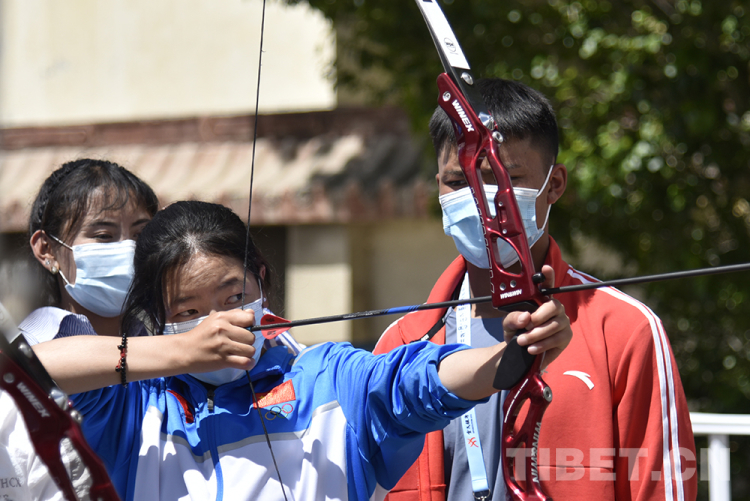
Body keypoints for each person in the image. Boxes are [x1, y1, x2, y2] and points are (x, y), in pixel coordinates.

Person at [34, 200, 571, 501]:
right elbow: (31, 370)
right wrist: (180, 353)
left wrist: (511, 357)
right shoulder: (134, 405)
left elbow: (421, 381)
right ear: (160, 317)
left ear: (261, 281)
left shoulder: (329, 377)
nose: (216, 323)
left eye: (233, 297)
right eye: (189, 310)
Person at [373, 78, 697, 501]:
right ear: (437, 186)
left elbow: (661, 487)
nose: (481, 200)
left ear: (555, 184)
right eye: (457, 182)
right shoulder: (402, 342)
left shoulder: (624, 329)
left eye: (504, 179)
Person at [21, 158, 160, 344]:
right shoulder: (23, 347)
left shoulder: (163, 337)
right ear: (47, 250)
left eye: (140, 234)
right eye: (103, 235)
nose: (129, 249)